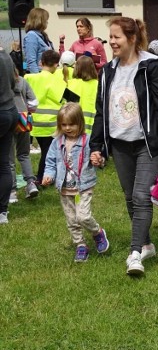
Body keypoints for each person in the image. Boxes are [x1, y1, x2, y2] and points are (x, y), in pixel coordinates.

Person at [89, 16, 158, 276]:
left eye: (116, 37)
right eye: (110, 37)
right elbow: (101, 111)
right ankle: (147, 243)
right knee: (130, 197)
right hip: (119, 143)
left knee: (140, 196)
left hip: (147, 144)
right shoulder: (108, 71)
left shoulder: (152, 66)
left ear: (132, 39)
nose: (111, 42)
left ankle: (135, 253)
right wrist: (97, 146)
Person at [42, 103, 110, 262]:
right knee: (72, 220)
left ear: (80, 123)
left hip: (83, 187)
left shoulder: (87, 141)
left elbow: (98, 160)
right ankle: (80, 245)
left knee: (83, 216)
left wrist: (98, 160)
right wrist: (48, 175)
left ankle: (97, 232)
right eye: (63, 124)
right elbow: (50, 162)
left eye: (71, 124)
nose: (67, 128)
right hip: (65, 189)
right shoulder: (57, 142)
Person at [25, 50, 72, 184]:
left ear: (41, 62)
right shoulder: (56, 81)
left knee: (27, 154)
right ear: (56, 65)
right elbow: (68, 99)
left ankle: (38, 177)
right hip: (49, 125)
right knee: (48, 153)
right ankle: (42, 178)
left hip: (32, 122)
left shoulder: (29, 78)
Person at [9, 68, 39, 203]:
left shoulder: (4, 82)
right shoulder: (22, 81)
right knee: (24, 154)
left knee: (8, 158)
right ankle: (31, 183)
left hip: (7, 119)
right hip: (23, 119)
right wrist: (27, 110)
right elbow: (34, 102)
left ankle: (12, 191)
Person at [0, 49, 19, 224]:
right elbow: (14, 82)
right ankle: (2, 212)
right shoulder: (5, 55)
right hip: (11, 110)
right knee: (4, 163)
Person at [67, 56, 99, 136]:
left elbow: (66, 107)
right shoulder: (98, 85)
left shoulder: (71, 84)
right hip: (95, 126)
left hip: (74, 125)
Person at [22, 8, 54, 74]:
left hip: (46, 74)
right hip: (38, 75)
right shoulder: (31, 36)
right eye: (46, 20)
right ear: (39, 20)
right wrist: (38, 78)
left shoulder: (43, 35)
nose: (47, 22)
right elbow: (31, 61)